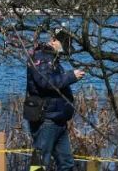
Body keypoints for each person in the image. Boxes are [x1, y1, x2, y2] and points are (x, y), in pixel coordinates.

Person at [26, 29, 85, 171]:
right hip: (46, 118)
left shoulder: (52, 59)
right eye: (64, 45)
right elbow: (45, 82)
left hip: (58, 119)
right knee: (40, 163)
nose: (66, 50)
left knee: (67, 164)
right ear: (54, 41)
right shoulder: (41, 56)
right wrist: (71, 76)